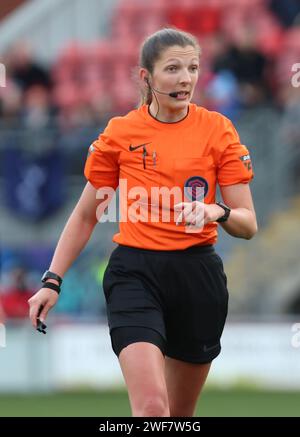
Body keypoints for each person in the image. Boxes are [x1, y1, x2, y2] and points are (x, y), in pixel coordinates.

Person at [28, 28, 257, 417]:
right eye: (173, 68)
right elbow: (86, 214)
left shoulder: (218, 130)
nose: (185, 78)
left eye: (193, 68)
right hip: (135, 273)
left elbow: (248, 224)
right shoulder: (120, 134)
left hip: (197, 276)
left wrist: (215, 211)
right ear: (145, 77)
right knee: (152, 409)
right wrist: (52, 280)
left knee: (179, 417)